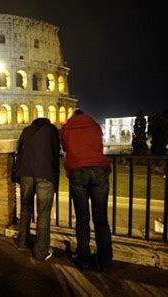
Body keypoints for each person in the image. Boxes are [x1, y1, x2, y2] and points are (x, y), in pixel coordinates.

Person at [60, 108, 113, 271]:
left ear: (72, 116)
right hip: (99, 170)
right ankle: (105, 263)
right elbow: (98, 145)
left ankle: (84, 260)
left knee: (82, 219)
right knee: (101, 219)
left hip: (78, 171)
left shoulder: (66, 129)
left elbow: (66, 149)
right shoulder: (95, 126)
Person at [14, 117, 60, 261]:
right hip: (45, 174)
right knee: (44, 213)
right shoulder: (51, 130)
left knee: (26, 208)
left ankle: (22, 242)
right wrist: (56, 178)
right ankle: (41, 251)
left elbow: (19, 151)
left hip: (26, 173)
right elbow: (55, 153)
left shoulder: (26, 130)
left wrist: (16, 175)